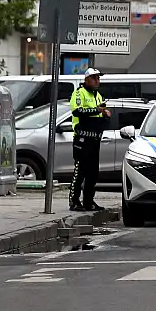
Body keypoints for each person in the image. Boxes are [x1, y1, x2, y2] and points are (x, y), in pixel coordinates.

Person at [69, 68, 110, 212]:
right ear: (87, 80)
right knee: (80, 171)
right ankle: (74, 201)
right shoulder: (79, 93)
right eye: (94, 78)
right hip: (82, 138)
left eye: (98, 78)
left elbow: (99, 114)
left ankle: (88, 201)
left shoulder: (98, 95)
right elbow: (77, 111)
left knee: (93, 172)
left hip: (95, 140)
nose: (97, 81)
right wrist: (97, 110)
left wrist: (105, 114)